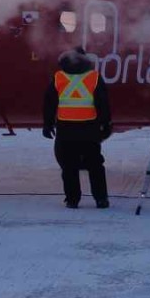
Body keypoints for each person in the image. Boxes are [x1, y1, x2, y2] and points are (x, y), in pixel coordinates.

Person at [43, 47, 112, 208]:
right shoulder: (94, 78)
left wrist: (47, 124)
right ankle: (101, 199)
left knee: (69, 167)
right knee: (95, 166)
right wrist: (106, 124)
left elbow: (49, 103)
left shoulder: (59, 78)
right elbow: (103, 103)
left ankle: (72, 200)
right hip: (89, 129)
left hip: (66, 130)